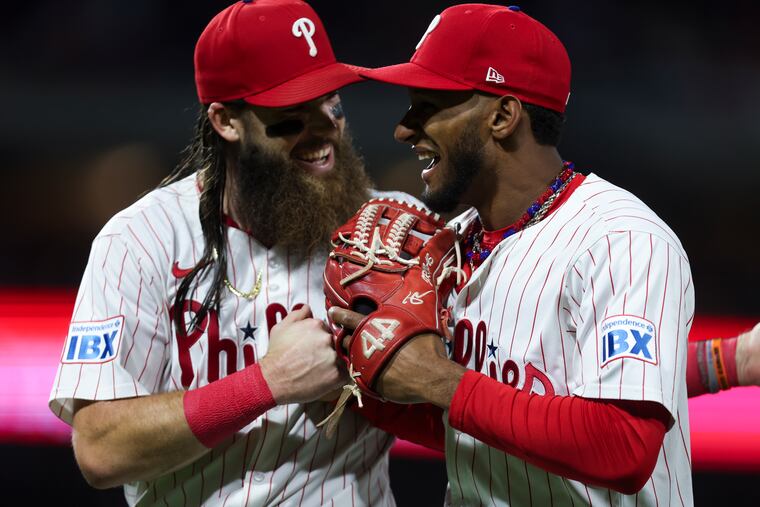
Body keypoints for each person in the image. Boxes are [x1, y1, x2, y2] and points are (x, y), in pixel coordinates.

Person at [48, 1, 414, 505]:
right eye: (291, 118)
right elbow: (101, 450)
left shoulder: (395, 231)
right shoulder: (141, 241)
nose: (324, 131)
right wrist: (267, 383)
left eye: (332, 106)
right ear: (226, 121)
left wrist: (388, 388)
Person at [331, 4, 696, 505]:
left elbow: (624, 446)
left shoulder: (622, 240)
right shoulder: (453, 242)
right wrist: (375, 381)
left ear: (503, 116)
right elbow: (486, 430)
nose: (403, 129)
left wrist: (438, 379)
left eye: (427, 105)